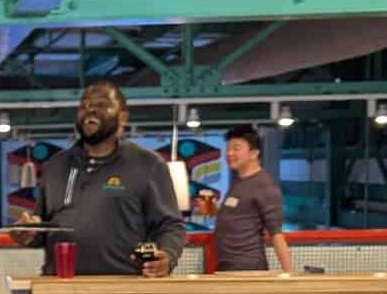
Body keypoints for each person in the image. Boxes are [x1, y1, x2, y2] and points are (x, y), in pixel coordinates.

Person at [22, 80, 187, 277]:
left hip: (122, 290)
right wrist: (28, 234)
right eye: (84, 105)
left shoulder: (148, 165)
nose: (90, 110)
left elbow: (170, 226)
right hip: (59, 289)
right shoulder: (55, 166)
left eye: (101, 104)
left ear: (123, 117)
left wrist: (167, 257)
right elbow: (42, 228)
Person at [214, 124, 293, 273]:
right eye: (228, 149)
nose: (229, 153)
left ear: (254, 153)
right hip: (227, 265)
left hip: (248, 267)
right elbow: (239, 214)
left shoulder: (265, 186)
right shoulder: (238, 181)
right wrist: (214, 209)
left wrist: (289, 276)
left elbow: (276, 234)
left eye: (236, 148)